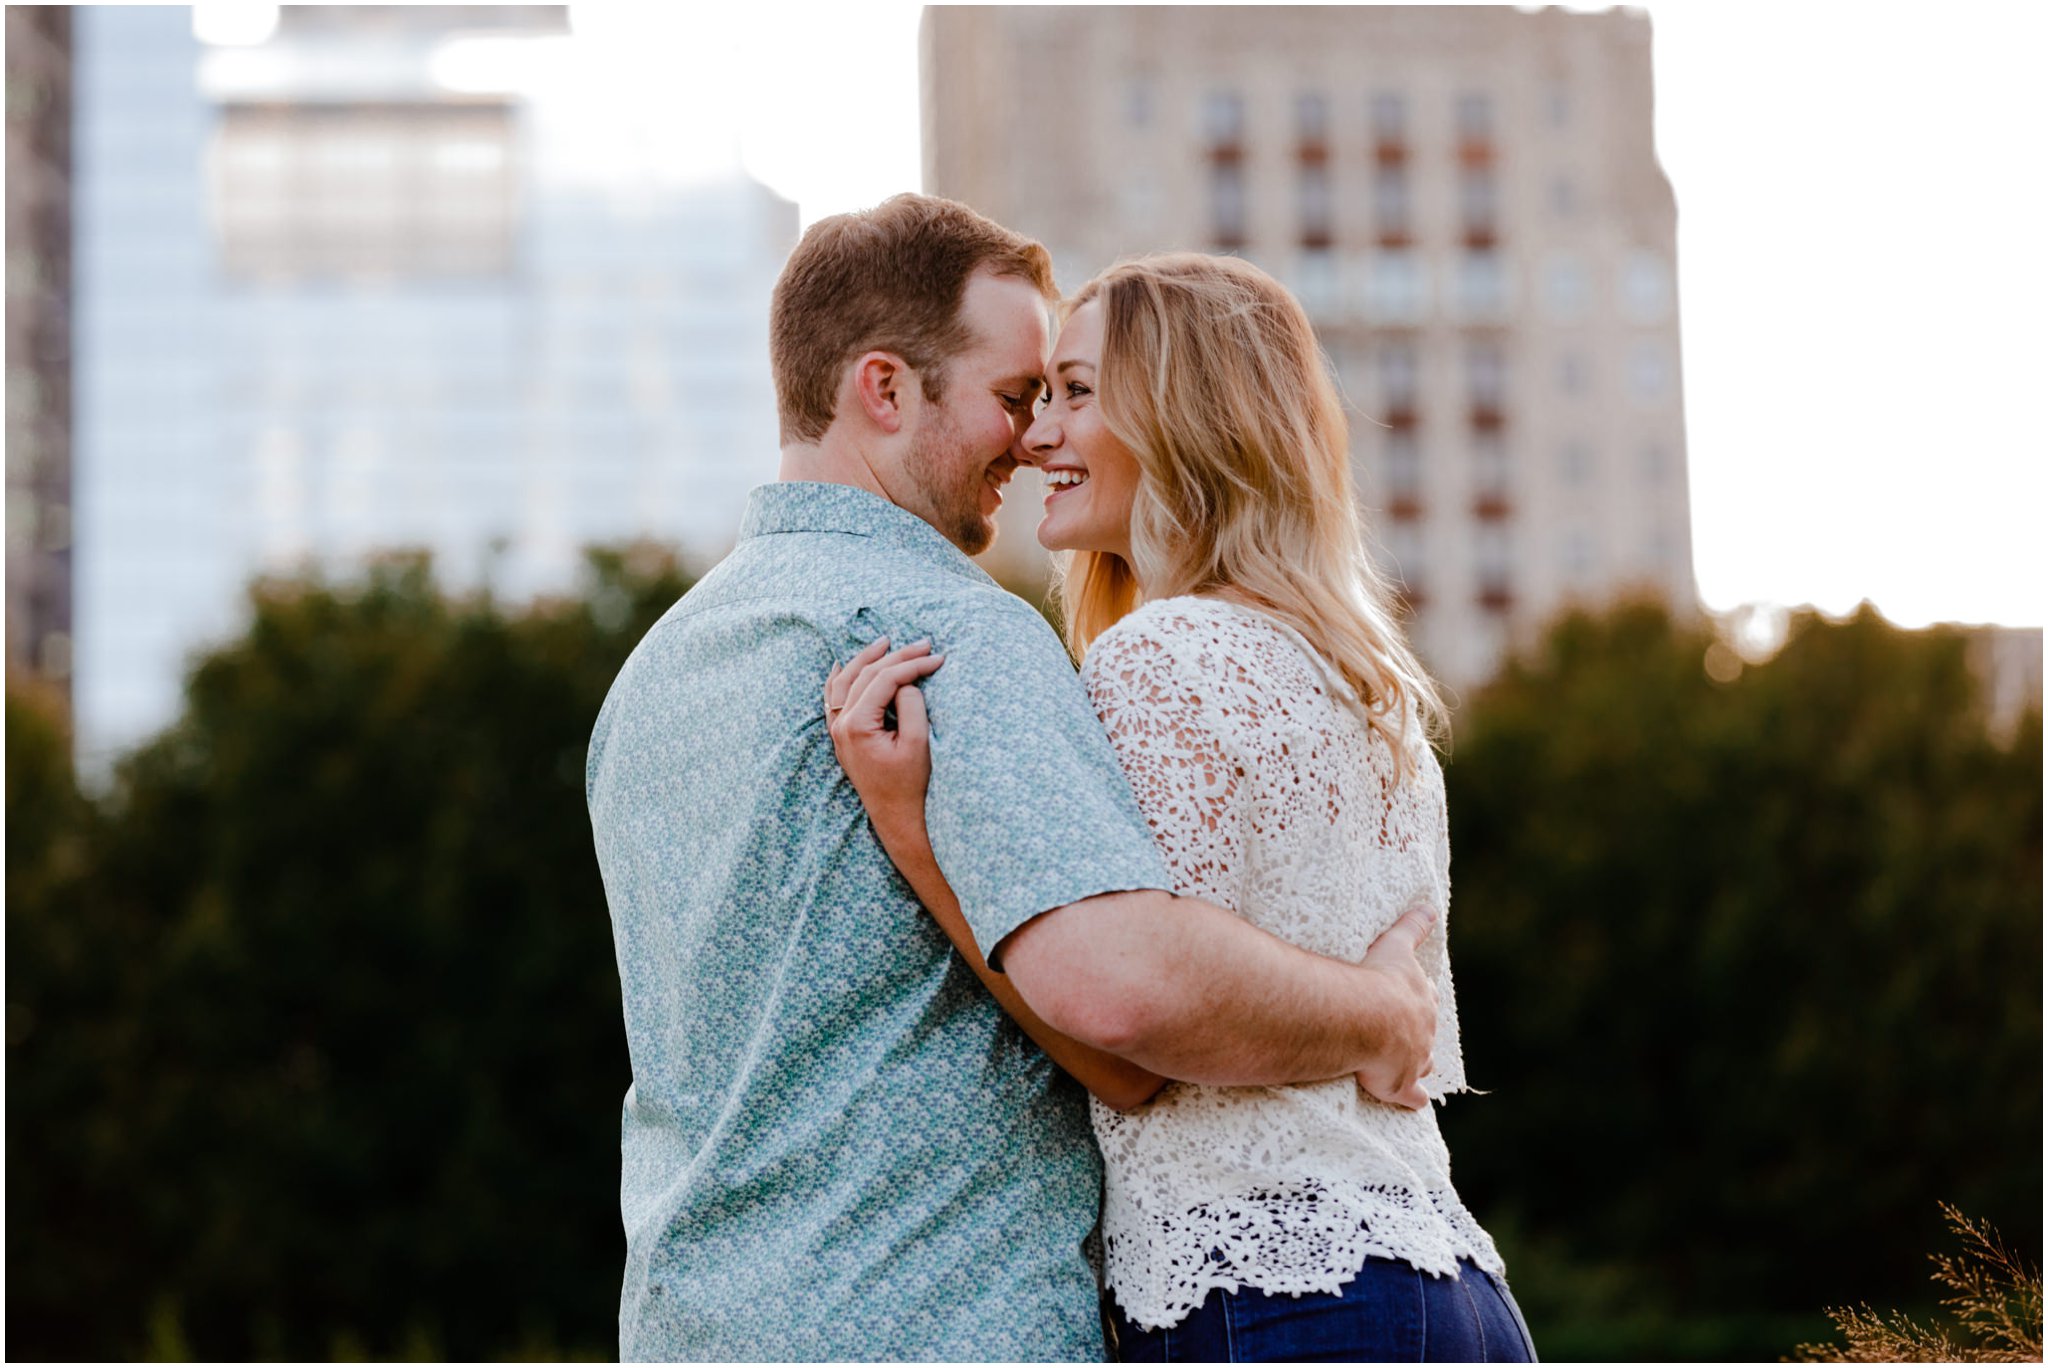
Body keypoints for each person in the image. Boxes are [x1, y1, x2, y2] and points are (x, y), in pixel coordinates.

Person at [585, 195, 1442, 1362]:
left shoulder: (648, 683)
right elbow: (1123, 1008)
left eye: (1059, 399)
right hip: (942, 1320)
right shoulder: (947, 635)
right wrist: (1383, 1011)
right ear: (883, 390)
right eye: (1014, 397)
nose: (1032, 438)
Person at [827, 252, 1535, 1362]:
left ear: (1180, 416)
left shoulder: (1159, 657)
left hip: (1274, 1298)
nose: (1033, 435)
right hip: (1447, 1285)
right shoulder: (1361, 683)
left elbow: (1128, 1038)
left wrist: (912, 835)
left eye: (1074, 393)